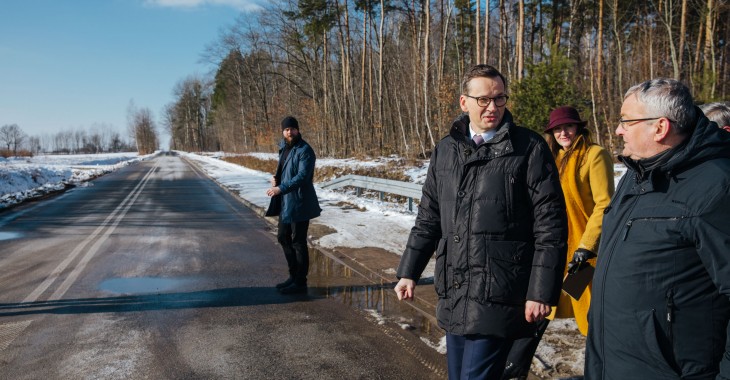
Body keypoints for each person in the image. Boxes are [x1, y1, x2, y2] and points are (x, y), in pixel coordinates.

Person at [394, 64, 568, 380]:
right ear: (464, 102)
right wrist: (409, 271)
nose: (493, 107)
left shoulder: (528, 148)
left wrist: (540, 292)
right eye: (484, 99)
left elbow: (550, 226)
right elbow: (429, 218)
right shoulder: (446, 150)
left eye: (500, 99)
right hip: (455, 287)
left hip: (500, 288)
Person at [585, 78, 730, 379]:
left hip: (671, 369)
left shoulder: (716, 186)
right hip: (611, 361)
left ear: (660, 128)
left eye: (626, 121)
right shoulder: (636, 174)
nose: (618, 130)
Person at [502, 107, 615, 379]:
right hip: (554, 253)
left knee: (591, 320)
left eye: (569, 127)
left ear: (579, 128)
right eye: (557, 128)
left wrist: (586, 246)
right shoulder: (552, 158)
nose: (563, 132)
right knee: (538, 313)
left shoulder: (594, 156)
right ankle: (511, 371)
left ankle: (599, 372)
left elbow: (604, 204)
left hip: (582, 258)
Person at [265, 116, 321, 295]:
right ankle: (293, 275)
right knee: (283, 237)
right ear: (283, 132)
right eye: (286, 129)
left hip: (299, 202)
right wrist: (275, 179)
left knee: (298, 242)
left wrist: (281, 188)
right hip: (285, 202)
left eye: (292, 129)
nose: (289, 132)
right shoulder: (284, 148)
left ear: (298, 130)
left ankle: (300, 282)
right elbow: (285, 171)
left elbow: (302, 177)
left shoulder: (305, 150)